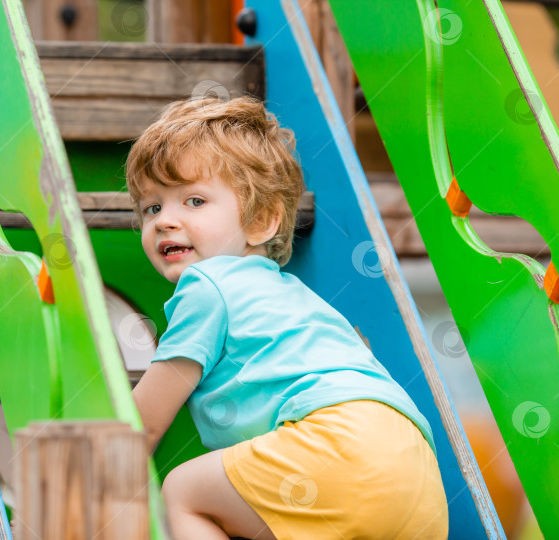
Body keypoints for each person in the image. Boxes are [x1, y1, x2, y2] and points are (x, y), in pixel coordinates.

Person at [127, 95, 448, 539]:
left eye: (195, 201)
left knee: (182, 491)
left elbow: (144, 421)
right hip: (417, 479)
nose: (165, 221)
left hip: (337, 449)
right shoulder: (293, 297)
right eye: (152, 207)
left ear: (261, 221)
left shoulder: (208, 286)